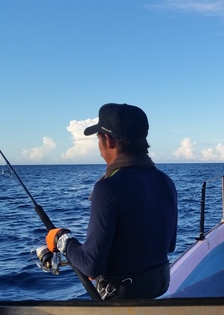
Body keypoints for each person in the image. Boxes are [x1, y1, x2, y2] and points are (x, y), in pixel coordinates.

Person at [44, 103, 178, 300]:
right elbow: (169, 246)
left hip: (122, 299)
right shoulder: (166, 182)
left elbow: (91, 265)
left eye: (98, 139)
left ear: (108, 140)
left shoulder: (107, 188)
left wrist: (62, 240)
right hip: (158, 290)